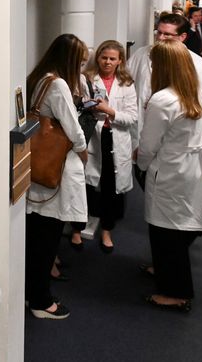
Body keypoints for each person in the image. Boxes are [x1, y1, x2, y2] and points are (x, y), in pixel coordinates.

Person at [137, 39, 202, 312]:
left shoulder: (163, 99)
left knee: (166, 230)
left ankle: (175, 293)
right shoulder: (194, 91)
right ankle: (165, 268)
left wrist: (142, 163)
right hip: (192, 168)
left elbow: (149, 145)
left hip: (170, 170)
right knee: (181, 222)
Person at [25, 34, 89, 320]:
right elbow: (74, 129)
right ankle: (41, 301)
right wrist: (84, 150)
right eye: (81, 62)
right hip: (54, 170)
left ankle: (33, 294)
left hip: (36, 170)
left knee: (36, 235)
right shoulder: (59, 83)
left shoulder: (39, 79)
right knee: (47, 239)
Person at [69, 40, 137, 253]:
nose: (107, 62)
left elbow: (132, 117)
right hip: (92, 137)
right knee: (85, 185)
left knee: (111, 187)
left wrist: (109, 111)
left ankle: (107, 230)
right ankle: (77, 229)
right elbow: (76, 108)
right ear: (97, 58)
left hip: (114, 138)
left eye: (112, 59)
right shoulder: (86, 79)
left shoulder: (126, 83)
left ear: (120, 61)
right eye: (104, 57)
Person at [129, 13, 202, 152]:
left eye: (167, 34)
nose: (160, 38)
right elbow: (125, 86)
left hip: (180, 146)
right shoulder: (140, 55)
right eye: (158, 32)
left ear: (182, 37)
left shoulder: (200, 68)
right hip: (141, 134)